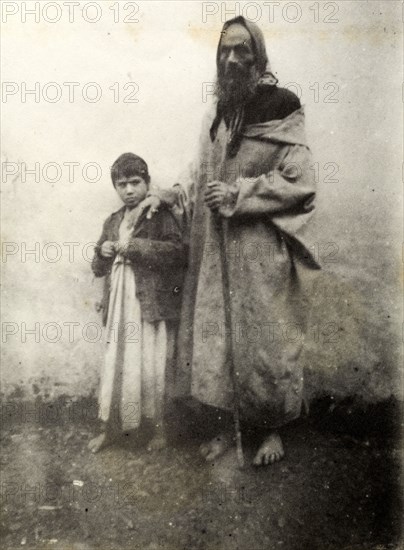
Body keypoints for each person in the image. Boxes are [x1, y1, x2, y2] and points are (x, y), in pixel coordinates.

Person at [141, 16, 320, 466]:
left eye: (243, 50)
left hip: (261, 250)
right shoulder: (217, 112)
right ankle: (225, 426)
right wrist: (168, 193)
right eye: (225, 51)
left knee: (264, 343)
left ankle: (271, 432)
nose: (233, 58)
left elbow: (300, 180)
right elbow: (200, 173)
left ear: (258, 57)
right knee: (218, 341)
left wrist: (240, 193)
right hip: (217, 253)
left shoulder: (283, 105)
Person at [89, 153, 187, 453]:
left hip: (148, 303)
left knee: (150, 363)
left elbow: (178, 252)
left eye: (135, 183)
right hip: (119, 302)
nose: (129, 190)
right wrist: (102, 251)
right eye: (122, 184)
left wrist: (136, 247)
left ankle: (158, 429)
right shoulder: (113, 220)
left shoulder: (161, 215)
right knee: (117, 362)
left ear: (147, 183)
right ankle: (109, 429)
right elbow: (97, 268)